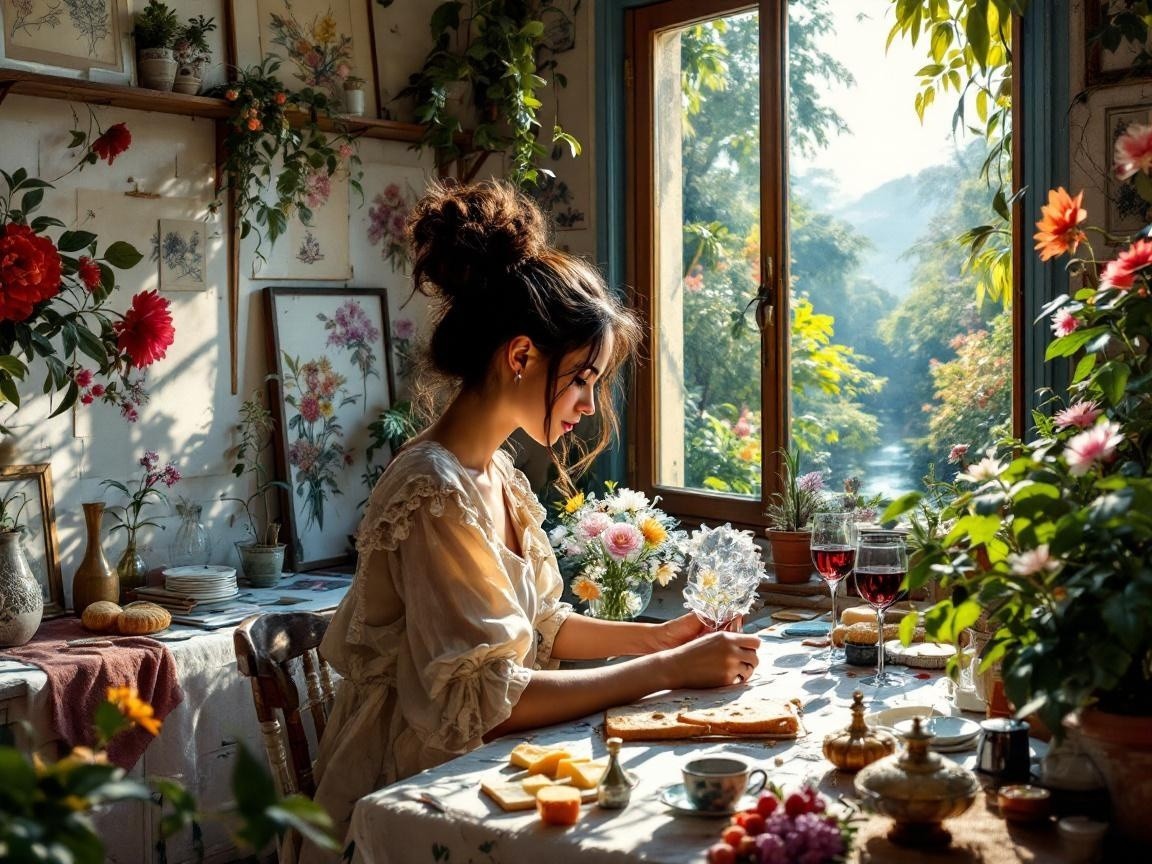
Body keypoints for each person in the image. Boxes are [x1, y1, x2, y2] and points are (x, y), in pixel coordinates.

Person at [301, 180, 761, 861]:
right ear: (520, 356)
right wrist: (670, 669)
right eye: (582, 377)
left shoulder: (498, 476)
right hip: (410, 788)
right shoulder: (433, 488)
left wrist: (660, 636)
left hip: (473, 763)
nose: (586, 403)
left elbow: (541, 629)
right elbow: (489, 701)